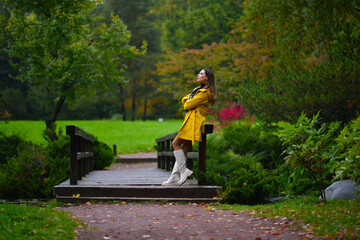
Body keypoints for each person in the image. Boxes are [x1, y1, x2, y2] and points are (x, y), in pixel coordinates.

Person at [162, 68, 217, 186]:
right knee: (183, 148)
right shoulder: (198, 90)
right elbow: (184, 99)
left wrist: (189, 101)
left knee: (175, 144)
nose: (198, 75)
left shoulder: (205, 93)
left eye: (201, 73)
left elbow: (187, 104)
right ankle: (174, 176)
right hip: (192, 119)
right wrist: (189, 100)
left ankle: (184, 171)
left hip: (194, 121)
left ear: (207, 78)